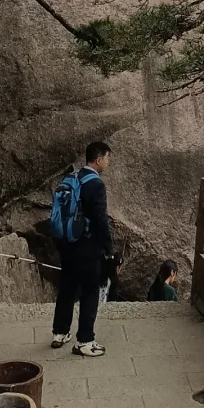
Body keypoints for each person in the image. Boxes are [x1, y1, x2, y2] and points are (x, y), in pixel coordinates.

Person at [50, 140, 114, 357]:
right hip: (87, 247)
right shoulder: (95, 184)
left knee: (67, 287)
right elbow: (100, 219)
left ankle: (60, 332)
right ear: (98, 160)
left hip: (67, 244)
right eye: (107, 158)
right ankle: (85, 340)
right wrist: (108, 247)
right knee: (90, 292)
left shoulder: (71, 177)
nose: (108, 162)